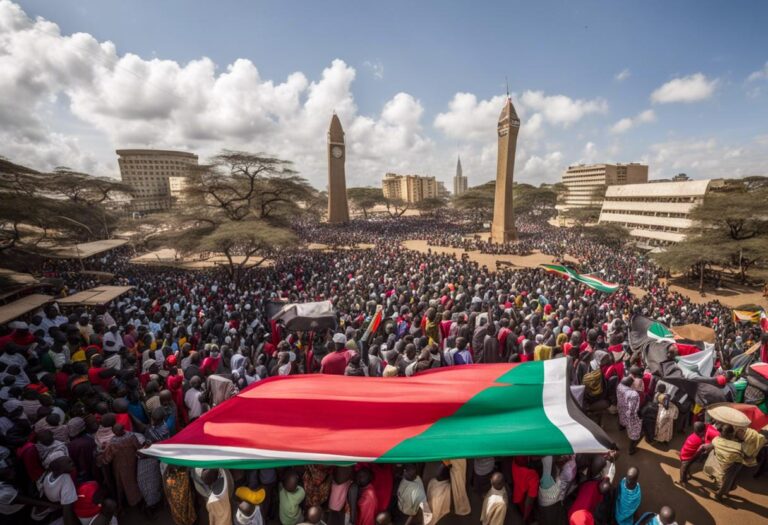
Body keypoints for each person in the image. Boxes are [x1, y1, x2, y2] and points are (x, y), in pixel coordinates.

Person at [617, 377, 642, 454]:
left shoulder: (619, 386)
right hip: (630, 415)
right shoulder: (633, 394)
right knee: (635, 431)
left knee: (622, 421)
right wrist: (637, 418)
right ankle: (631, 449)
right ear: (631, 384)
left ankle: (621, 427)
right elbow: (632, 409)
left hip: (621, 409)